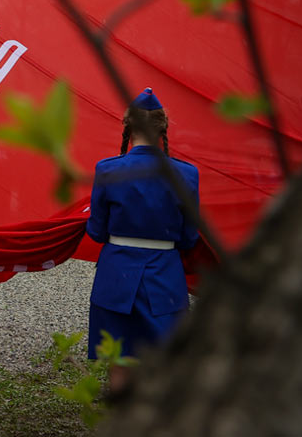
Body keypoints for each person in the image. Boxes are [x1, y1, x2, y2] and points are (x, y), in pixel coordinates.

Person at [86, 87, 199, 391]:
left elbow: (96, 230)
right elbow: (190, 237)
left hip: (116, 277)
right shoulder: (187, 175)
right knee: (163, 365)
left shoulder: (108, 170)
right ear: (164, 129)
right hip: (165, 279)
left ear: (128, 127)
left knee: (119, 363)